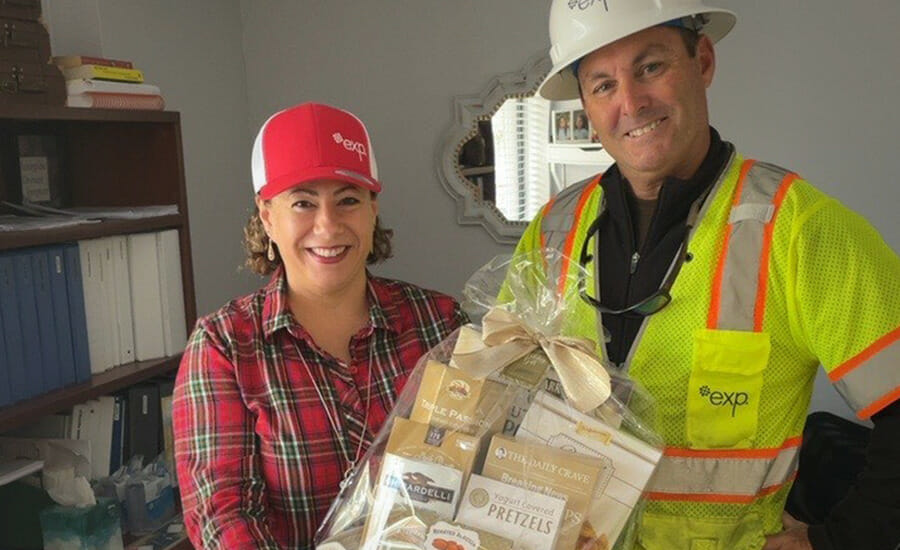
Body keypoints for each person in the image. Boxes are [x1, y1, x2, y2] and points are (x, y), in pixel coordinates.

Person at [512, 1, 900, 549]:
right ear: (585, 105)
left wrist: (836, 541)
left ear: (703, 61)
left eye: (650, 67)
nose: (630, 102)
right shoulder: (552, 228)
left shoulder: (797, 228)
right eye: (602, 85)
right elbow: (499, 399)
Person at [173, 102, 466, 549]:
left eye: (347, 199)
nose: (327, 225)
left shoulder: (439, 322)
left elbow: (486, 465)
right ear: (268, 216)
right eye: (303, 203)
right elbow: (223, 514)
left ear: (372, 209)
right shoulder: (225, 345)